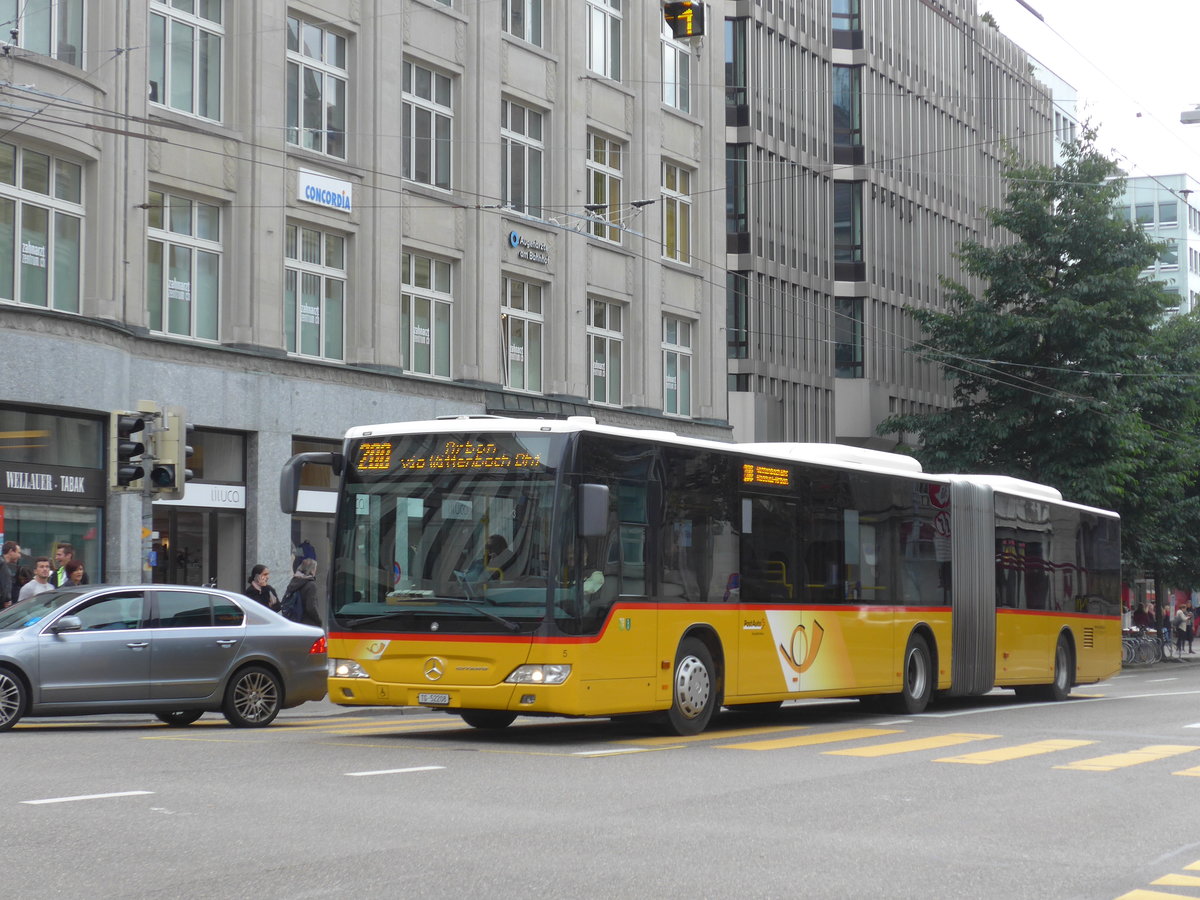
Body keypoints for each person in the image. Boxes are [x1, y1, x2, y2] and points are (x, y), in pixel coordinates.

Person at [283, 557, 322, 628]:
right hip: (308, 623)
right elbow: (311, 607)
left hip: (295, 621)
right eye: (315, 568)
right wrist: (319, 620)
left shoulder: (293, 582)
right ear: (312, 570)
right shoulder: (311, 585)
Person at [0, 540, 20, 607]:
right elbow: (5, 587)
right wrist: (6, 600)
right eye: (18, 552)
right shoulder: (2, 565)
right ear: (11, 551)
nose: (19, 556)